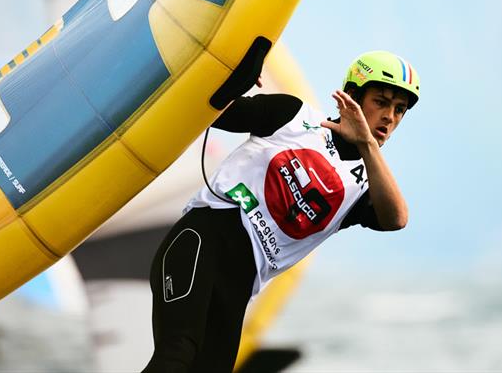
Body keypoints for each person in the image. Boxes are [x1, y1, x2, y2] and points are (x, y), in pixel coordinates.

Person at [142, 50, 420, 373]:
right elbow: (211, 110)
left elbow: (397, 219)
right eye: (381, 102)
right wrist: (234, 76)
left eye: (400, 110)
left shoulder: (362, 188)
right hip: (201, 241)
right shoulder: (294, 116)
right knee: (176, 356)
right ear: (353, 97)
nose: (390, 117)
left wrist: (367, 147)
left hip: (238, 284)